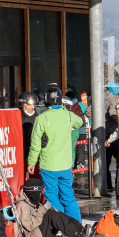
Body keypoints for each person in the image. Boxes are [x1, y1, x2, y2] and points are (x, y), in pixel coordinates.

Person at [27, 87, 84, 222]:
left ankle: (61, 225)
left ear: (46, 101)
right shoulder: (68, 115)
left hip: (49, 165)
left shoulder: (41, 119)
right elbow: (80, 122)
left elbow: (35, 144)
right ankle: (76, 224)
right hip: (65, 164)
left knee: (52, 195)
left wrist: (31, 162)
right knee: (68, 195)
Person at [15, 177, 90, 237]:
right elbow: (29, 225)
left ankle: (80, 229)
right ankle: (79, 234)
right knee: (52, 214)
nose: (42, 193)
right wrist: (42, 209)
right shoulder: (22, 205)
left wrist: (44, 209)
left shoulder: (31, 201)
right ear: (34, 190)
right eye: (42, 190)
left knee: (54, 211)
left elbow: (38, 217)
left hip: (37, 235)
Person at [103, 81, 119, 197]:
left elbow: (88, 111)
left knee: (105, 162)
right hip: (113, 133)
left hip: (102, 133)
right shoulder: (113, 98)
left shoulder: (100, 97)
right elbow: (113, 112)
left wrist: (99, 119)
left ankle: (107, 185)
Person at [19, 92, 38, 164]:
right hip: (21, 153)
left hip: (33, 154)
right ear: (22, 104)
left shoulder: (38, 118)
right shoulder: (17, 117)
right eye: (29, 104)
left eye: (33, 104)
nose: (32, 107)